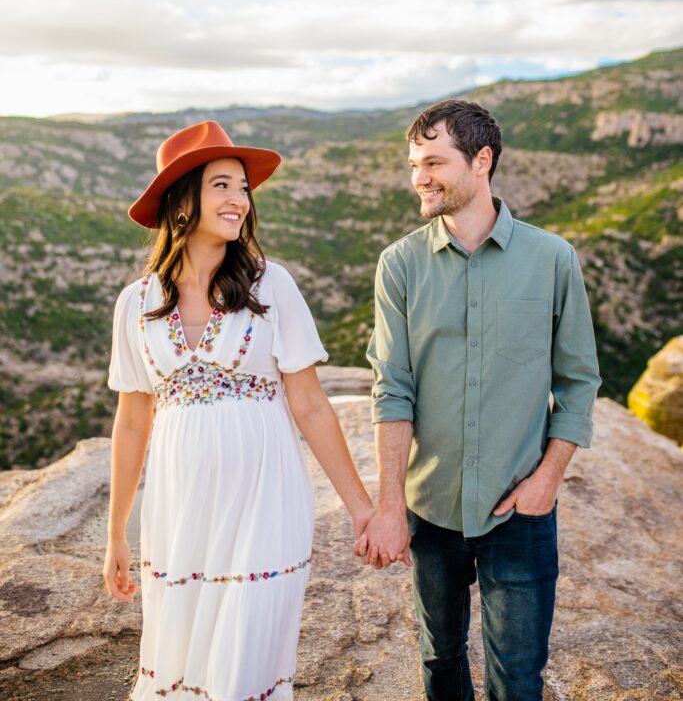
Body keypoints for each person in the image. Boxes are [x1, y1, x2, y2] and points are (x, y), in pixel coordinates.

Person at [103, 120, 374, 701]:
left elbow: (310, 405)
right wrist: (116, 534)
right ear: (182, 200)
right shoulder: (137, 303)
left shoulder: (270, 285)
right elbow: (131, 422)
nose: (239, 200)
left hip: (266, 503)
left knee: (244, 666)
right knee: (182, 661)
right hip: (179, 513)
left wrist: (362, 510)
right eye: (222, 185)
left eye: (244, 189)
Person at [355, 99, 601, 701]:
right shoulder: (400, 265)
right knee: (440, 664)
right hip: (430, 511)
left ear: (482, 161)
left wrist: (547, 479)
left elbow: (578, 381)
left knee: (517, 679)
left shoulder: (552, 259)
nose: (420, 177)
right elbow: (393, 389)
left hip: (519, 512)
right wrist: (389, 506)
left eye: (434, 162)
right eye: (415, 163)